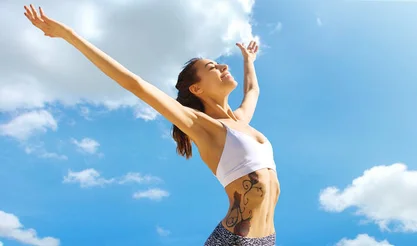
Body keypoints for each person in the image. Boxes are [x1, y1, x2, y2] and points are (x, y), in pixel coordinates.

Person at [23, 4, 279, 245]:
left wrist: (249, 61)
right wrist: (68, 35)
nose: (223, 66)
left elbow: (253, 91)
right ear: (196, 88)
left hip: (267, 240)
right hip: (232, 240)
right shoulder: (200, 125)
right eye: (212, 66)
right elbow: (134, 84)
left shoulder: (240, 120)